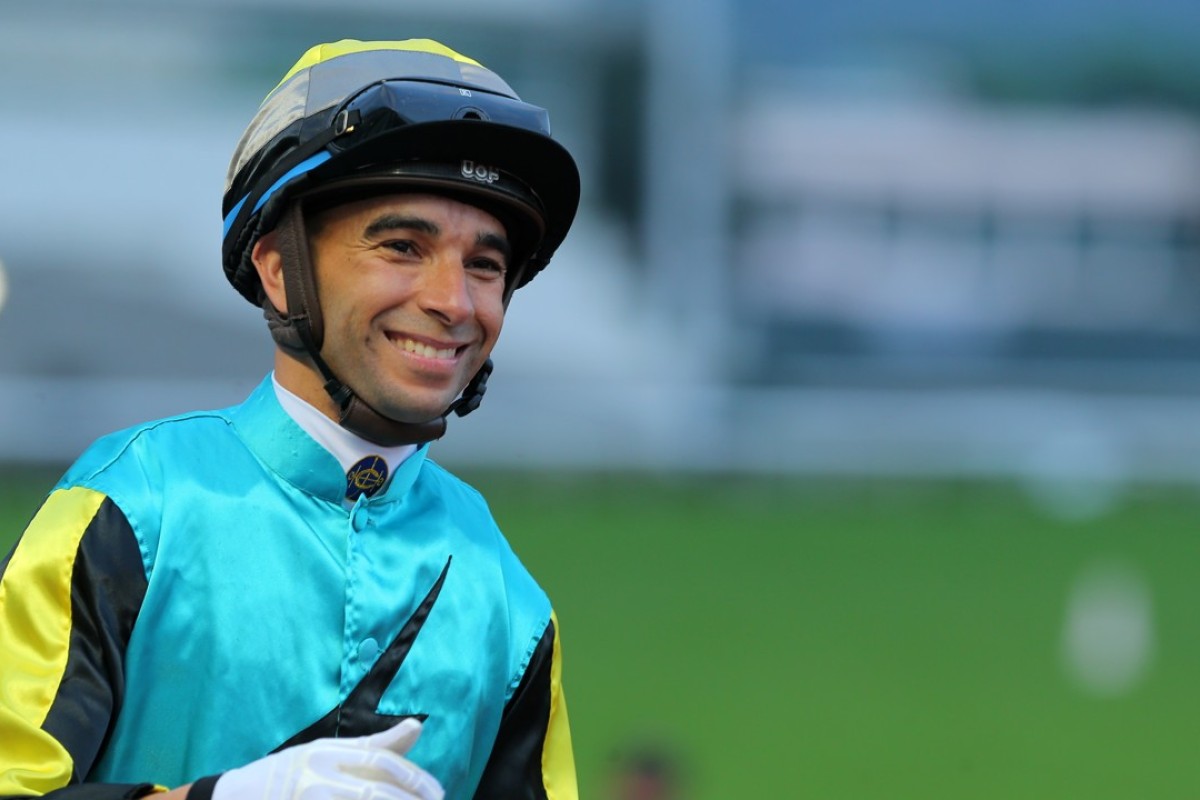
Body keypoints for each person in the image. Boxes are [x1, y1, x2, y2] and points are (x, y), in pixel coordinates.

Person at [0, 38, 581, 800]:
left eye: (485, 264)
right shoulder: (131, 509)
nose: (454, 301)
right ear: (279, 269)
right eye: (403, 247)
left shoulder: (509, 603)